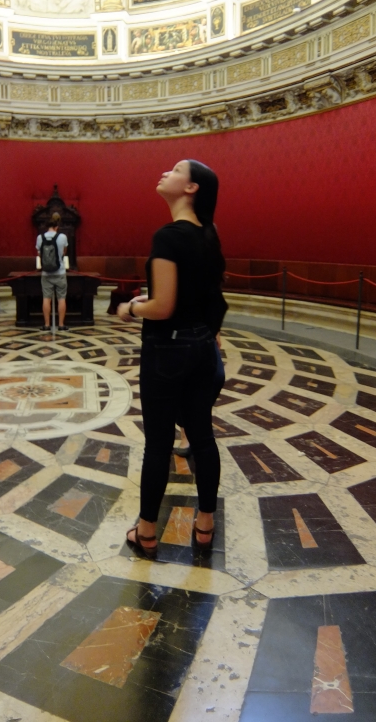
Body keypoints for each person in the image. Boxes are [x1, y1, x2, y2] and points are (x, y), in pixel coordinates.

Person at [117, 159, 228, 558]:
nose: (165, 172)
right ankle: (205, 524)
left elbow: (163, 308)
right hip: (202, 347)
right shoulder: (209, 234)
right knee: (202, 436)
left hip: (167, 350)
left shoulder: (167, 237)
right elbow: (204, 297)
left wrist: (132, 307)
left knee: (159, 443)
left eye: (176, 170)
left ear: (191, 188)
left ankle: (147, 531)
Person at [36, 212, 69, 331]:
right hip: (60, 272)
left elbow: (39, 254)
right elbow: (64, 252)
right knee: (61, 298)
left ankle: (46, 325)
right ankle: (61, 324)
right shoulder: (63, 237)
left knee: (46, 298)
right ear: (57, 226)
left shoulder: (40, 238)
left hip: (46, 273)